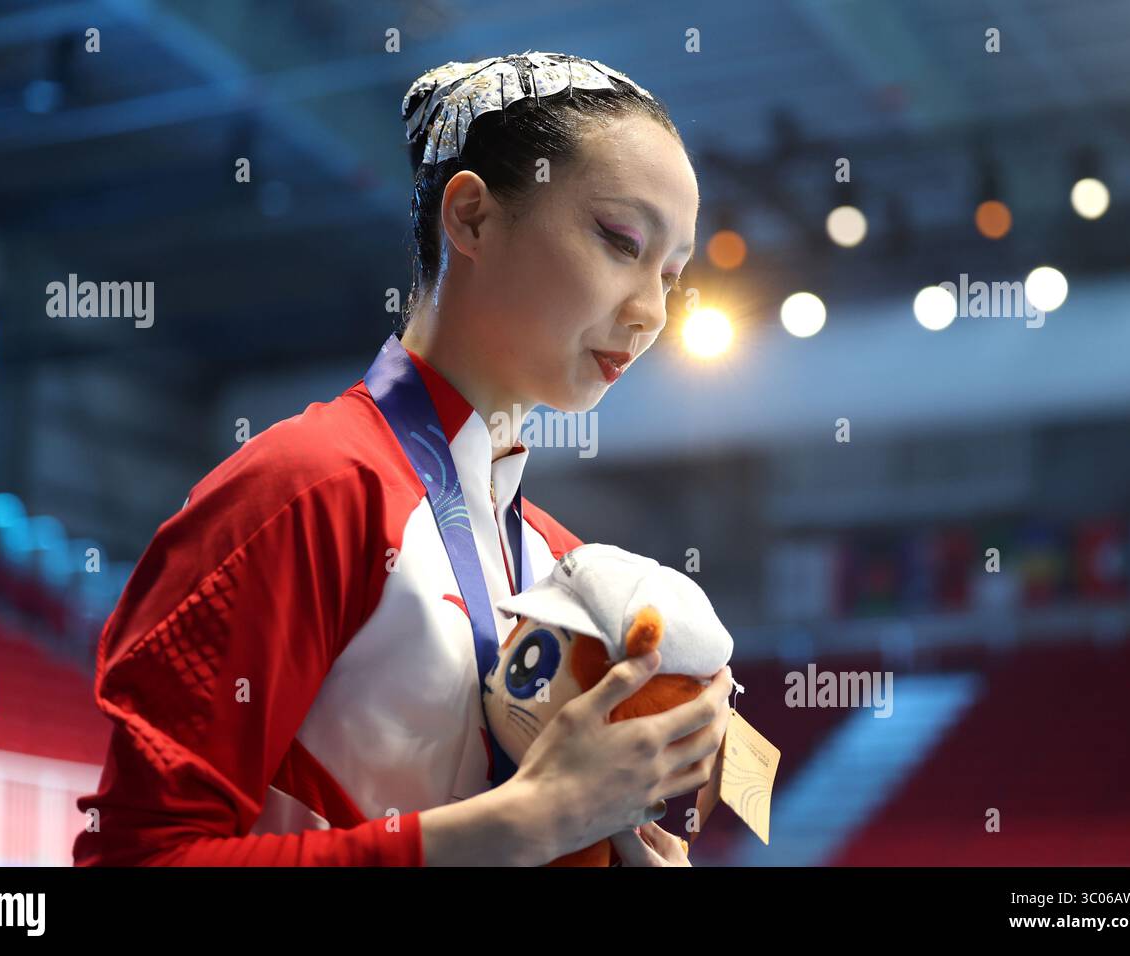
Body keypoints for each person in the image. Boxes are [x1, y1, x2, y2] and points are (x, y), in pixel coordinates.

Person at [72, 50, 731, 867]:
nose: (650, 313)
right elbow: (138, 859)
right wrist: (526, 824)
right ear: (472, 218)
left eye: (671, 275)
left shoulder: (564, 568)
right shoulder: (311, 489)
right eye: (619, 240)